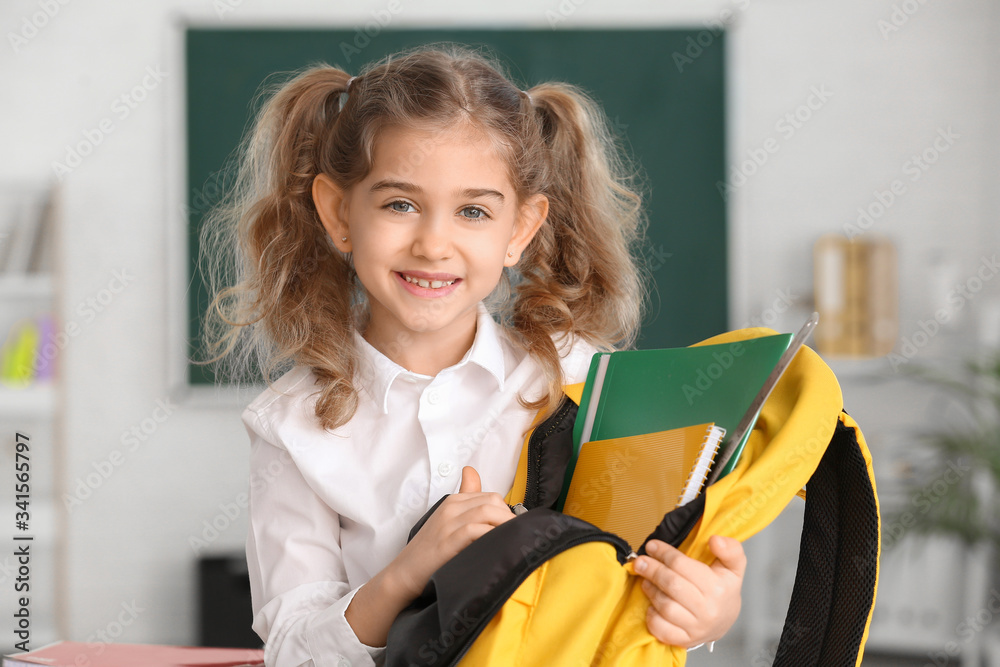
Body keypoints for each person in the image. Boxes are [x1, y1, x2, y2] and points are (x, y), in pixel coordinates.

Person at [199, 44, 746, 666]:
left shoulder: (581, 378)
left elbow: (640, 573)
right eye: (399, 204)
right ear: (337, 212)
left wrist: (705, 612)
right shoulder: (290, 425)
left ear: (520, 229)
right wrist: (409, 570)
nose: (434, 244)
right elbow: (295, 652)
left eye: (473, 211)